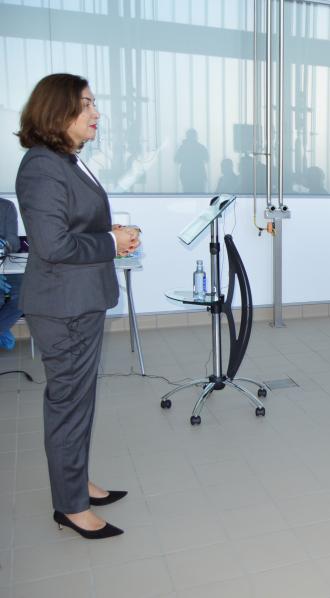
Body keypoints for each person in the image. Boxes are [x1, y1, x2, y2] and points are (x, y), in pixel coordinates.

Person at [15, 73, 141, 539]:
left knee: (79, 401)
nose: (96, 113)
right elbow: (53, 245)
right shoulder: (41, 166)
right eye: (86, 104)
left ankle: (77, 481)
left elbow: (74, 225)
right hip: (62, 307)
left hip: (78, 300)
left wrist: (112, 236)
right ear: (57, 110)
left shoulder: (65, 161)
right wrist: (110, 242)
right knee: (68, 404)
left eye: (94, 103)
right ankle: (70, 506)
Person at [0, 198, 22, 350]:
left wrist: (6, 244)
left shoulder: (6, 206)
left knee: (25, 294)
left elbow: (14, 242)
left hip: (5, 268)